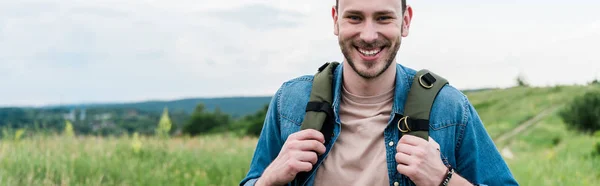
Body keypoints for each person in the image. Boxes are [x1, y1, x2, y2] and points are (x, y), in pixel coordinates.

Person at [240, 0, 519, 185]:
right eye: (355, 18)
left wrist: (444, 179)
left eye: (383, 18)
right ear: (336, 20)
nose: (369, 35)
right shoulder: (290, 102)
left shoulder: (449, 108)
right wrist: (270, 178)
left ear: (405, 21)